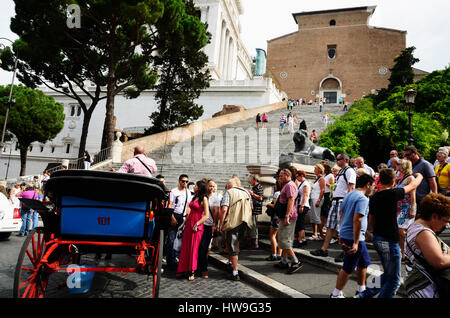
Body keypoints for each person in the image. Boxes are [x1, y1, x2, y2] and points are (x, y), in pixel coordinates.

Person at [356, 168, 423, 298]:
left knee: (388, 274)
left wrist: (376, 232)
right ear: (394, 181)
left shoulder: (374, 197)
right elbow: (413, 185)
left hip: (378, 238)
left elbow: (371, 219)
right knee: (394, 280)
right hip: (389, 241)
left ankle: (363, 295)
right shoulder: (393, 193)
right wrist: (419, 175)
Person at [330, 174, 375, 298]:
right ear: (368, 185)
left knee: (363, 263)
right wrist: (355, 242)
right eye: (373, 185)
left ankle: (361, 290)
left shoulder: (349, 194)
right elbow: (357, 220)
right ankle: (335, 294)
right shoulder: (362, 198)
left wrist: (340, 232)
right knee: (348, 268)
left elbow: (342, 214)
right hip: (355, 238)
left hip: (349, 234)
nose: (374, 189)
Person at [404, 193, 450, 298]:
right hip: (427, 290)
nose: (446, 225)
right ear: (434, 216)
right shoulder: (423, 233)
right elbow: (440, 261)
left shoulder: (416, 226)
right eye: (445, 221)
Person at [311, 153, 356, 258]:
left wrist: (347, 203)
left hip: (342, 201)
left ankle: (345, 252)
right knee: (330, 226)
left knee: (342, 227)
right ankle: (324, 249)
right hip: (335, 201)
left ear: (345, 160)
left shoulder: (349, 171)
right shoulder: (341, 171)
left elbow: (351, 188)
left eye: (339, 159)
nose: (337, 161)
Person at [219, 178, 254, 281]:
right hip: (245, 222)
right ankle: (230, 263)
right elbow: (251, 207)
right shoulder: (246, 192)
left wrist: (221, 223)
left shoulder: (229, 192)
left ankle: (235, 272)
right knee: (234, 244)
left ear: (228, 186)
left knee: (233, 246)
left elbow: (224, 209)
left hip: (233, 222)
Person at [176, 180, 209, 281]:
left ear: (199, 187)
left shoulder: (204, 198)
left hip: (197, 226)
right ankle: (182, 269)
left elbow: (206, 215)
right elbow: (190, 213)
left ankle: (192, 271)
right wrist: (183, 224)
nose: (194, 186)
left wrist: (197, 224)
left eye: (195, 185)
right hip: (189, 224)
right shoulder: (194, 197)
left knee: (194, 249)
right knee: (185, 247)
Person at [274, 168, 303, 274]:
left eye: (281, 176)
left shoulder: (290, 185)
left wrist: (286, 216)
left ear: (287, 175)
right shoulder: (288, 185)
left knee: (285, 240)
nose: (279, 178)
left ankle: (295, 261)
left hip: (289, 217)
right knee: (283, 238)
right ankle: (284, 260)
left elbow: (291, 200)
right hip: (285, 216)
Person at [166, 174, 192, 270]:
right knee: (171, 239)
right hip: (174, 215)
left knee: (181, 240)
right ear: (179, 181)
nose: (185, 183)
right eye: (183, 181)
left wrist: (187, 218)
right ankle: (170, 261)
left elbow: (188, 206)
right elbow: (170, 205)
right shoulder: (174, 191)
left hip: (183, 217)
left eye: (186, 181)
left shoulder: (188, 192)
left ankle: (178, 259)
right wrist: (172, 218)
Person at [403, 145, 438, 211]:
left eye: (408, 155)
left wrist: (435, 198)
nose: (406, 157)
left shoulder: (425, 164)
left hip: (422, 199)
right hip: (411, 199)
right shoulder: (409, 165)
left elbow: (432, 181)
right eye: (404, 155)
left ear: (415, 153)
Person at [265, 179, 282, 260]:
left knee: (272, 236)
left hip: (275, 216)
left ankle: (273, 254)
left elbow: (275, 206)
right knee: (279, 237)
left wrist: (268, 204)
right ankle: (279, 254)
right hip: (281, 216)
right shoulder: (283, 193)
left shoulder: (277, 193)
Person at [293, 170, 310, 248]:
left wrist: (302, 205)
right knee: (300, 222)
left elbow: (305, 195)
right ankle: (302, 239)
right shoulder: (302, 184)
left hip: (303, 205)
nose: (297, 178)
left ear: (301, 176)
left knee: (300, 223)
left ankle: (300, 239)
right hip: (301, 204)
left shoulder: (305, 184)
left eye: (297, 176)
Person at [309, 164, 325, 240]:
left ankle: (321, 234)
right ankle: (314, 234)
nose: (314, 171)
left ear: (319, 170)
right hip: (313, 198)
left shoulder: (321, 178)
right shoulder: (317, 178)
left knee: (316, 216)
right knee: (313, 217)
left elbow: (322, 190)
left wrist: (319, 200)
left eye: (315, 169)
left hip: (317, 199)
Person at [248, 175, 264, 249]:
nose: (250, 181)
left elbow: (260, 198)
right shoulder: (255, 187)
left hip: (255, 210)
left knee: (254, 226)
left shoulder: (258, 187)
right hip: (253, 210)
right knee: (252, 226)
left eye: (251, 179)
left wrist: (252, 194)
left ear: (255, 180)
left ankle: (255, 243)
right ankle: (253, 242)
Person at [321, 162, 335, 239]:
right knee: (322, 211)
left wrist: (325, 183)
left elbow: (332, 186)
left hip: (328, 194)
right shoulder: (324, 175)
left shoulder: (330, 175)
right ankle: (324, 225)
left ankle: (326, 226)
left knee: (326, 211)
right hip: (323, 193)